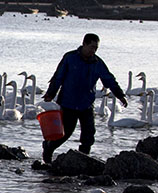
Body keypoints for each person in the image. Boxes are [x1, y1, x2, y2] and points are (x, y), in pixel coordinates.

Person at [41, 33, 127, 164]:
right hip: (68, 102)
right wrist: (50, 94)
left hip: (86, 104)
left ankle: (82, 160)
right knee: (65, 133)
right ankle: (48, 149)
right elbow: (58, 76)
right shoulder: (70, 58)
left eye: (96, 48)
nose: (93, 50)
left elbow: (109, 79)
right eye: (92, 47)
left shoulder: (97, 63)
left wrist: (120, 95)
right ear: (84, 44)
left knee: (89, 134)